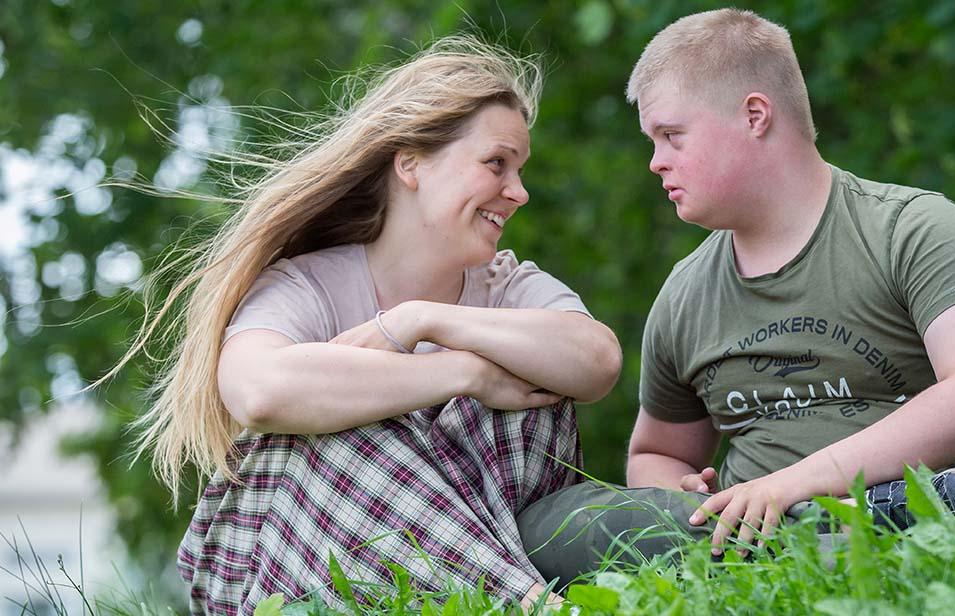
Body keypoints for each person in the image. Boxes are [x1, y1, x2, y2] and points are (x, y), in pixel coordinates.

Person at [111, 36, 622, 613]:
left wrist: (420, 321)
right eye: (496, 164)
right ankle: (528, 606)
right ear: (411, 163)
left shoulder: (507, 286)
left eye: (520, 170)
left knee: (536, 389)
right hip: (311, 569)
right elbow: (258, 392)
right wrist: (465, 373)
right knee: (330, 435)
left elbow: (597, 361)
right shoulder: (306, 285)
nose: (519, 192)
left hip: (495, 530)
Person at [519, 8, 955, 583]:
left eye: (671, 135)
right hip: (743, 555)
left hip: (939, 554)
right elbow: (657, 454)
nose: (656, 161)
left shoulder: (912, 228)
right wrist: (681, 494)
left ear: (754, 115)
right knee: (555, 524)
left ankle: (851, 534)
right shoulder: (685, 293)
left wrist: (794, 483)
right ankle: (820, 540)